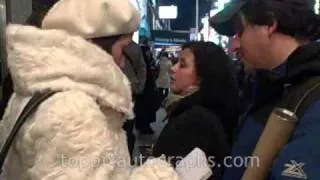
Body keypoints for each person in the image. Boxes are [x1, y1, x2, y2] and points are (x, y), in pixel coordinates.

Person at [0, 0, 179, 179]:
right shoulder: (73, 109)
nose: (123, 61)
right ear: (95, 46)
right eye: (122, 48)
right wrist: (157, 175)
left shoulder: (36, 92)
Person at [210, 0, 320, 179]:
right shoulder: (272, 87)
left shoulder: (311, 99)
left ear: (269, 24)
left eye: (239, 31)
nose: (233, 46)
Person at [153, 42, 239, 179]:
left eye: (183, 65)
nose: (173, 68)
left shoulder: (196, 120)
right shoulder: (194, 109)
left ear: (202, 76)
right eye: (176, 62)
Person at [122, 41, 147, 157]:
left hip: (128, 94)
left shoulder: (133, 47)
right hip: (109, 93)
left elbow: (142, 68)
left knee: (127, 128)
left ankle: (127, 159)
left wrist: (138, 86)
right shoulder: (104, 39)